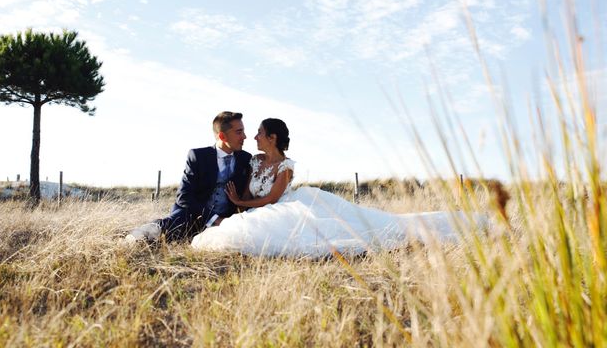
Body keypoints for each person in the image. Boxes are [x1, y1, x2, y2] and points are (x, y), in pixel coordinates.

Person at [191, 117, 489, 257]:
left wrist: (243, 205)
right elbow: (244, 194)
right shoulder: (253, 162)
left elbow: (271, 197)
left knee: (357, 227)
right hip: (258, 209)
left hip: (282, 205)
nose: (254, 137)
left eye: (258, 133)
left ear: (271, 138)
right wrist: (238, 203)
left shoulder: (286, 167)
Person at [127, 111, 252, 242]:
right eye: (239, 132)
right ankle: (139, 236)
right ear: (222, 136)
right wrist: (213, 219)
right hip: (194, 215)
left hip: (227, 220)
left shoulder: (246, 159)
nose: (244, 136)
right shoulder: (198, 156)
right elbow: (184, 197)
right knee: (177, 224)